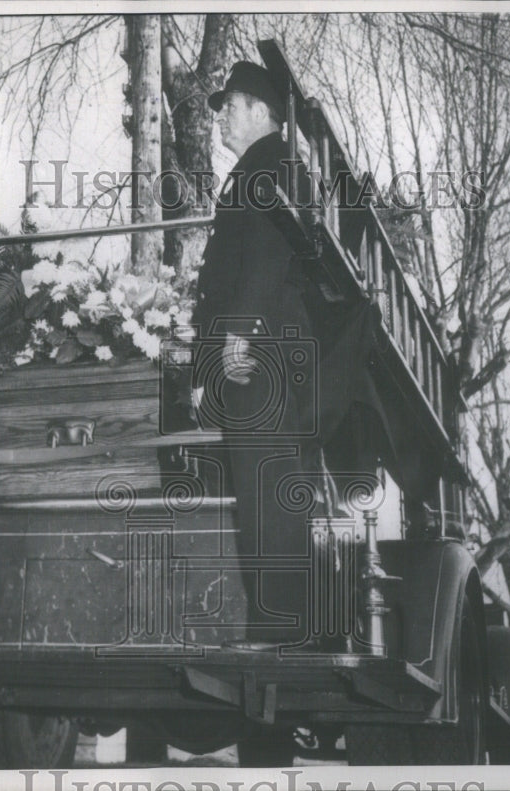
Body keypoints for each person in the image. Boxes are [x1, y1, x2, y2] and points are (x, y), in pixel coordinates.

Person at [192, 62, 318, 646]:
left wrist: (240, 333)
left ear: (263, 114)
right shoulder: (255, 167)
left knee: (267, 483)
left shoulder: (273, 163)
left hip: (260, 349)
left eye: (233, 104)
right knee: (260, 483)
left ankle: (281, 626)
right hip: (255, 346)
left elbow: (267, 254)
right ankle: (275, 622)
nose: (223, 114)